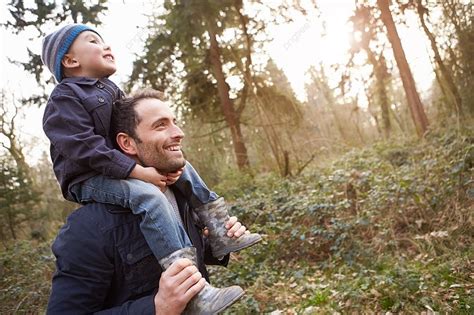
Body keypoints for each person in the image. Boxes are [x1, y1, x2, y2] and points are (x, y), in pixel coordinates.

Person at [40, 24, 261, 312]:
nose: (178, 133)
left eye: (174, 121)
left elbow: (161, 242)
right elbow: (82, 146)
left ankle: (217, 223)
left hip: (120, 169)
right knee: (148, 197)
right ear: (70, 61)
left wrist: (209, 239)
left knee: (185, 169)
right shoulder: (64, 98)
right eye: (94, 41)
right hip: (87, 177)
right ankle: (196, 295)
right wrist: (157, 308)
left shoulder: (111, 91)